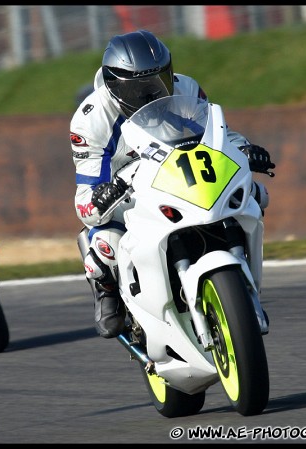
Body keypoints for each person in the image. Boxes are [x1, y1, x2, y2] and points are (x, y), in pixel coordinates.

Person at [69, 30, 276, 339]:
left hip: (181, 167)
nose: (155, 92)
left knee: (255, 195)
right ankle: (106, 287)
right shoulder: (90, 119)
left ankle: (241, 287)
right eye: (141, 87)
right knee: (105, 240)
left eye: (160, 79)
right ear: (115, 85)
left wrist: (245, 150)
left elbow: (218, 136)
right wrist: (102, 197)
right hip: (127, 186)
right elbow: (86, 196)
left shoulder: (186, 87)